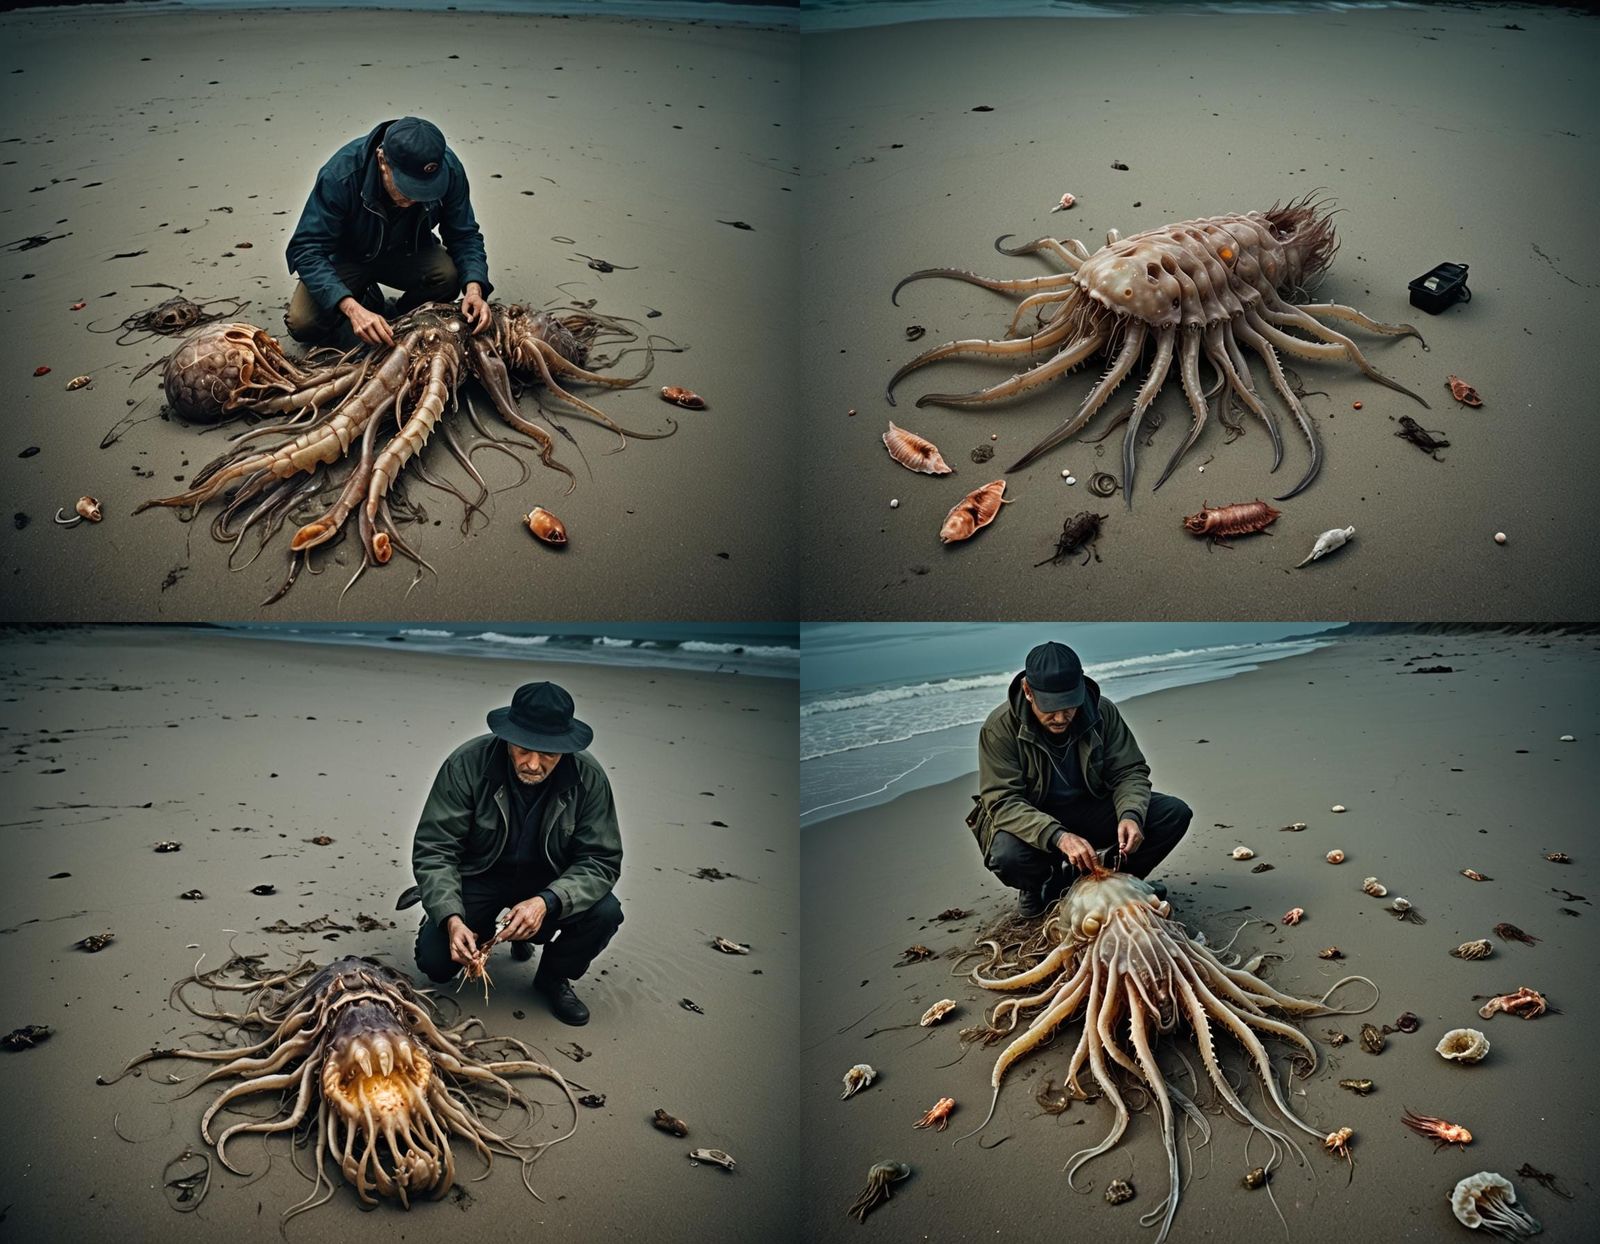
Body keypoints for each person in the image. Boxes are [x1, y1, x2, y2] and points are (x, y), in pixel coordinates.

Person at [400, 681, 623, 1026]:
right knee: (435, 965)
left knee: (606, 911)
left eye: (548, 753)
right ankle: (452, 916)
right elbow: (435, 850)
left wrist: (547, 901)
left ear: (566, 747)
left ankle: (552, 977)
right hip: (480, 874)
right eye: (523, 749)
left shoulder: (589, 778)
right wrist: (450, 917)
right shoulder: (465, 765)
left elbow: (600, 860)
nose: (534, 763)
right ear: (507, 738)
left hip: (550, 882)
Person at [968, 641, 1192, 917]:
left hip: (1089, 805)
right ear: (1028, 691)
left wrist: (1130, 814)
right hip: (1034, 817)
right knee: (1008, 856)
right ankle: (1039, 886)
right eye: (1050, 708)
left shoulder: (1102, 711)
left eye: (1069, 707)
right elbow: (1003, 801)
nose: (1061, 718)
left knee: (1173, 813)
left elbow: (1129, 771)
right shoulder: (999, 728)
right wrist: (1058, 837)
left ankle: (1117, 882)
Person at [284, 116, 493, 349]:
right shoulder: (340, 174)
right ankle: (362, 297)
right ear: (382, 160)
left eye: (425, 191)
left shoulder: (449, 171)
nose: (414, 198)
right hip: (347, 258)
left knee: (449, 275)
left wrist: (474, 289)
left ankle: (400, 319)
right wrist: (352, 309)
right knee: (303, 323)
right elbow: (306, 249)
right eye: (407, 188)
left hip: (406, 252)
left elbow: (464, 235)